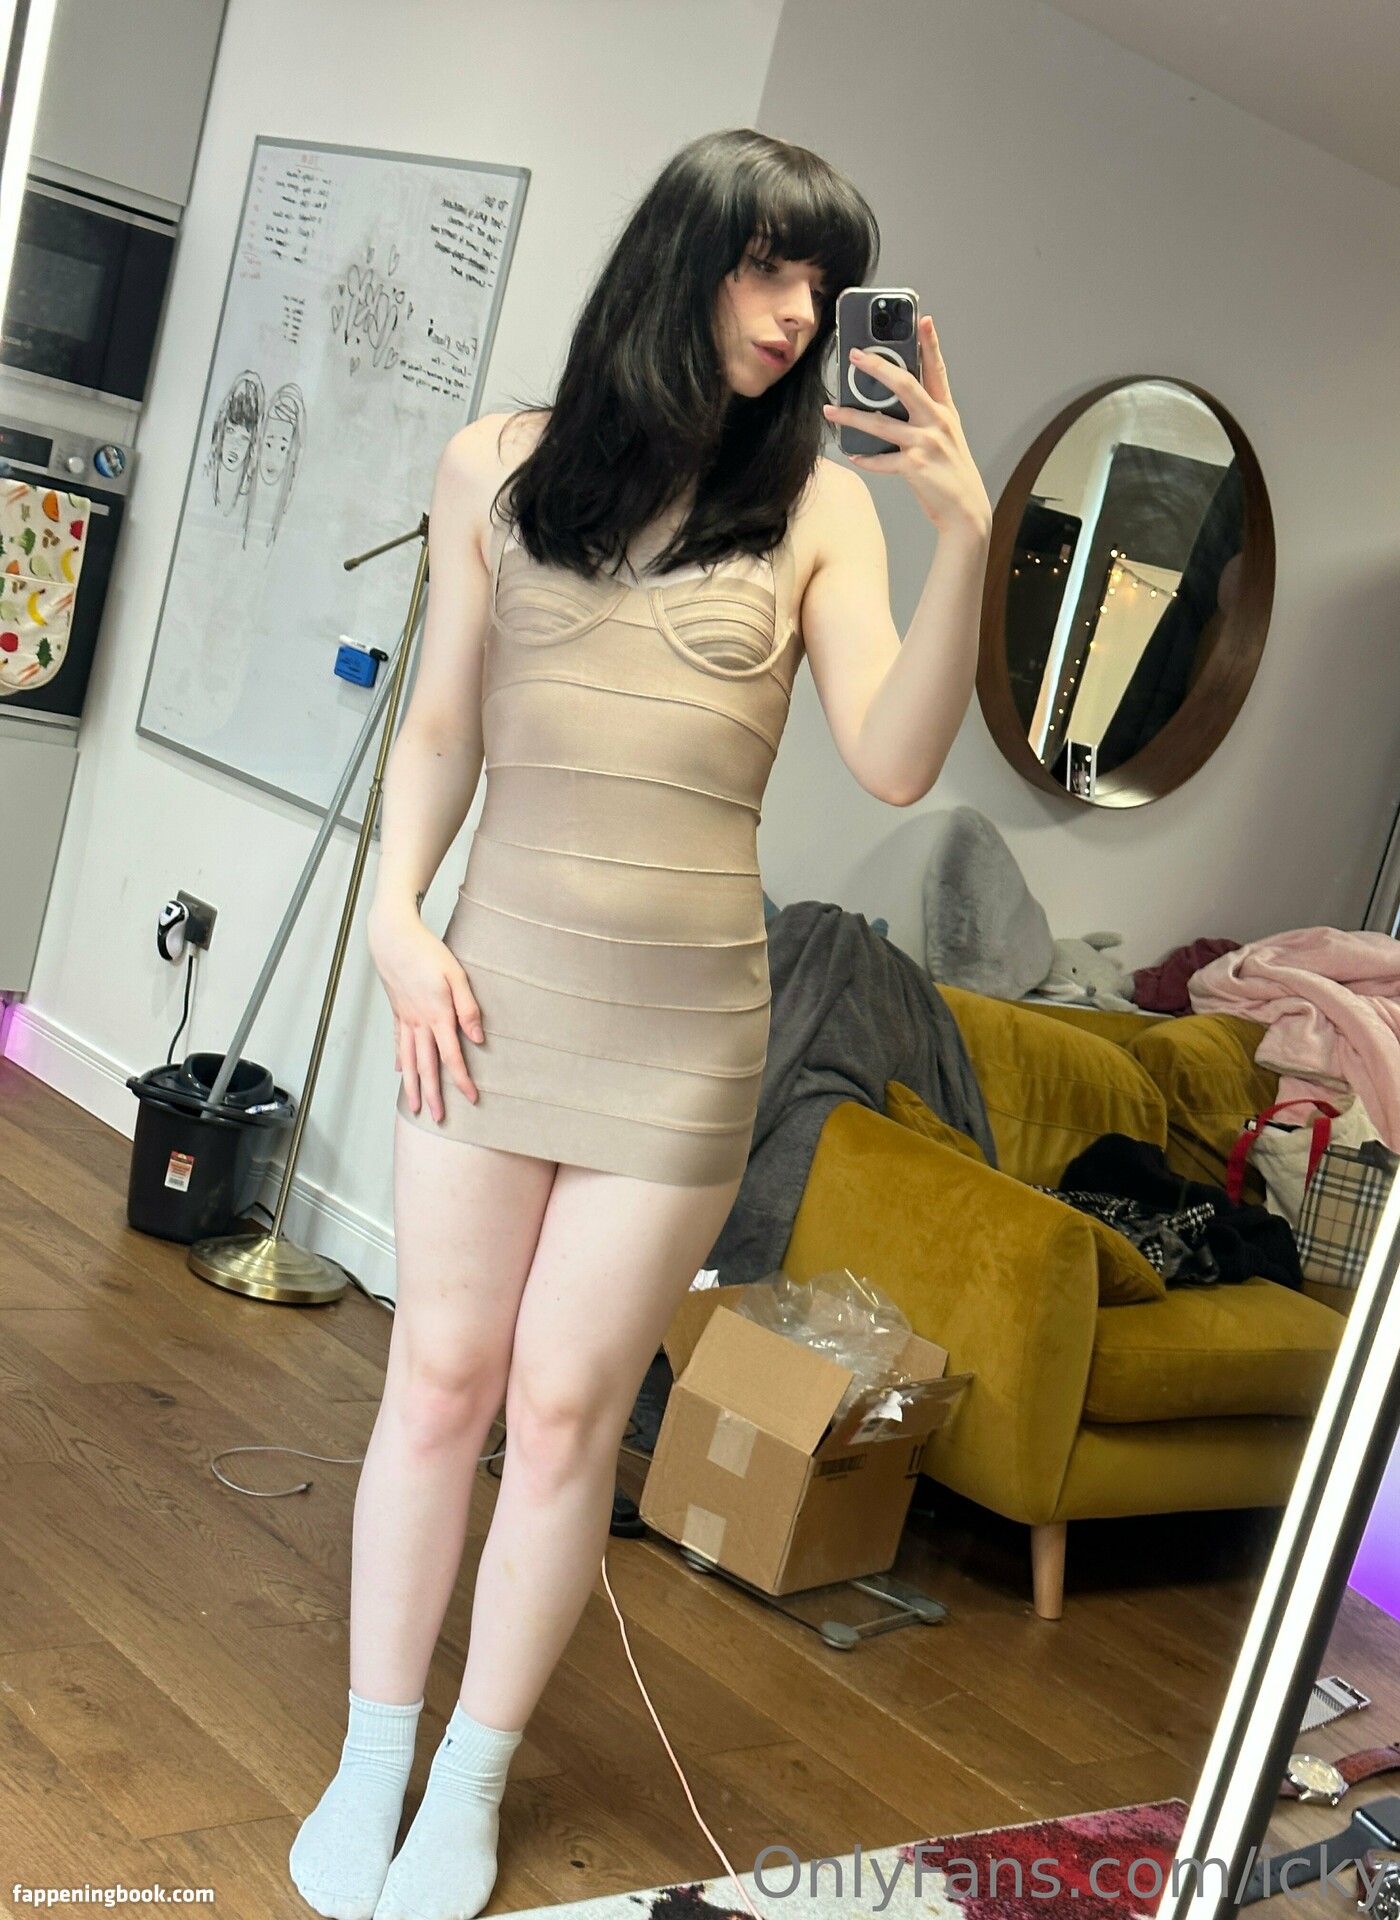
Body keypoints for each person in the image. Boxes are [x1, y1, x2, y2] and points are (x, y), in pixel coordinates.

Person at [288, 126, 993, 1920]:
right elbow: (439, 727)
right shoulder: (495, 468)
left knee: (565, 1410)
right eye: (768, 267)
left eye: (824, 283)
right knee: (439, 1382)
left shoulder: (822, 511)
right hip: (486, 997)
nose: (799, 313)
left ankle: (467, 1787)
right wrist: (394, 921)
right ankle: (372, 1754)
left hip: (685, 1040)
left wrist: (965, 532)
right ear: (681, 262)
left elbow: (895, 759)